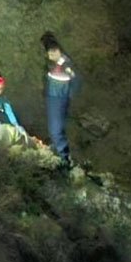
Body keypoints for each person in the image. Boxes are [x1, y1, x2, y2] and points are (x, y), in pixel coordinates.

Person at [41, 31, 80, 168]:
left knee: (56, 129)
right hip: (53, 97)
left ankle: (64, 158)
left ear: (57, 51)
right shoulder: (52, 63)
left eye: (51, 53)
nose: (49, 56)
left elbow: (75, 81)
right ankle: (59, 152)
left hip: (59, 98)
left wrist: (69, 96)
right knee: (55, 128)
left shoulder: (65, 64)